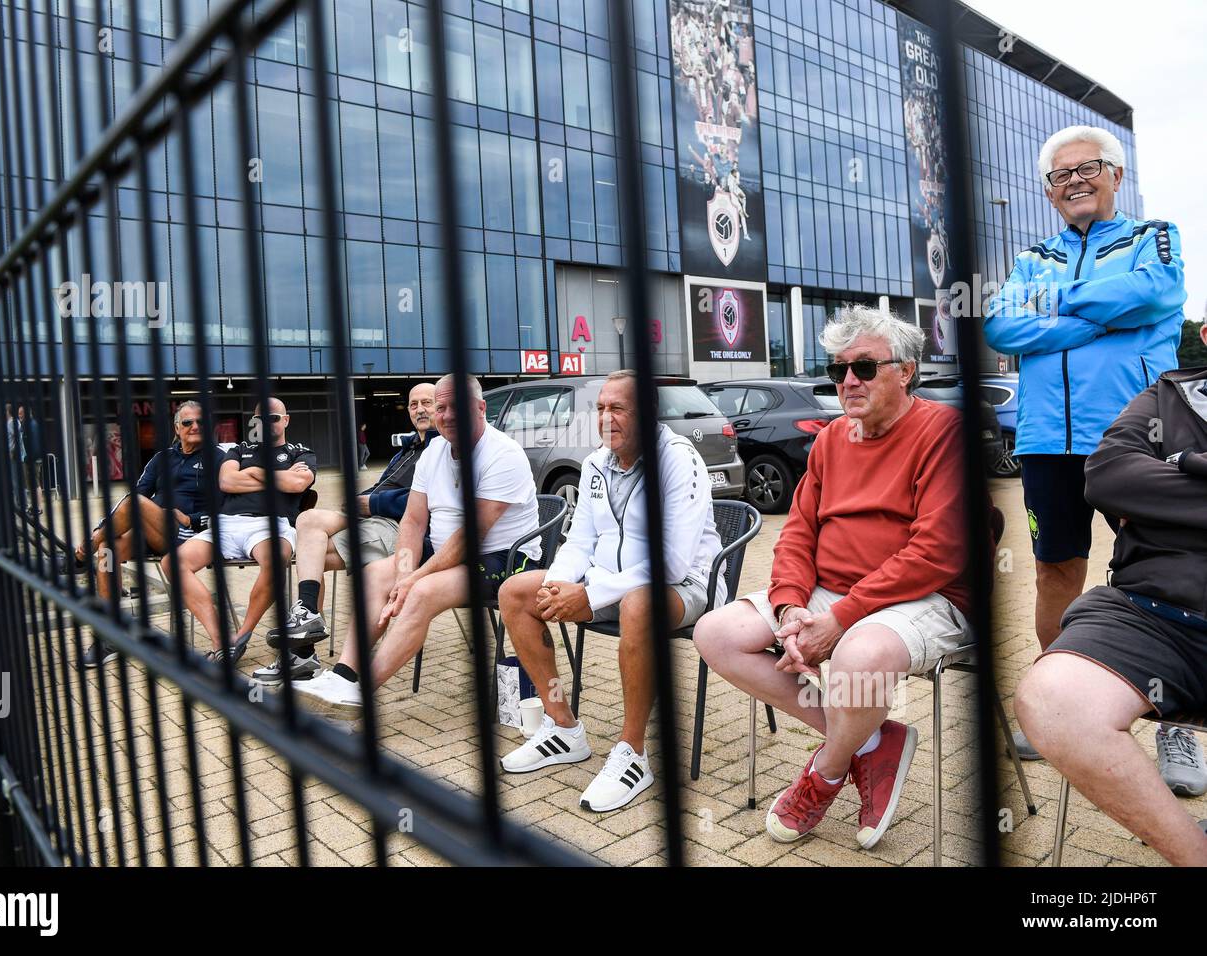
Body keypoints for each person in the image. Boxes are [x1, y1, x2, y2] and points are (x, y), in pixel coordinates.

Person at [694, 306, 973, 849]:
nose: (848, 381)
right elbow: (797, 533)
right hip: (831, 591)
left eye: (865, 368)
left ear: (906, 371)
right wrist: (791, 608)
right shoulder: (829, 440)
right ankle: (869, 742)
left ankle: (825, 771)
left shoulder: (943, 432)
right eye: (838, 369)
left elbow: (936, 552)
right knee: (715, 633)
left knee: (855, 659)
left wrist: (840, 618)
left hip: (926, 595)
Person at [982, 124, 1199, 790]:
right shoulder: (1030, 258)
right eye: (1060, 174)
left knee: (1170, 577)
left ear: (1115, 175)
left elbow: (1157, 295)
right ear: (1047, 191)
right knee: (1055, 575)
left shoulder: (1153, 237)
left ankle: (1179, 732)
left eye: (1088, 168)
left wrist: (1059, 314)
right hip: (1049, 442)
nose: (1074, 180)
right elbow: (999, 324)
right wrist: (1107, 310)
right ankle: (1063, 706)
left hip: (1144, 439)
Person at [496, 370, 723, 813]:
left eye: (617, 408)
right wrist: (559, 584)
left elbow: (672, 562)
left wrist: (590, 594)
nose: (605, 417)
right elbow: (580, 540)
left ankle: (633, 752)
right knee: (516, 593)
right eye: (600, 408)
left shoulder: (678, 459)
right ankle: (562, 726)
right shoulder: (596, 462)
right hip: (607, 585)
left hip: (688, 586)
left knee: (639, 603)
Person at [1016, 347, 1207, 866]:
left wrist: (1183, 470)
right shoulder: (1166, 397)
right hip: (1154, 609)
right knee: (1054, 700)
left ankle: (1178, 738)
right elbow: (1108, 476)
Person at [290, 374, 539, 715]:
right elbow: (413, 520)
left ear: (481, 408)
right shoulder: (434, 451)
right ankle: (345, 677)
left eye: (458, 407)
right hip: (444, 553)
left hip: (503, 559)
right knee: (377, 574)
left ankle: (362, 693)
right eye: (442, 407)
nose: (448, 415)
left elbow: (470, 536)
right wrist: (404, 571)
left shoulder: (502, 454)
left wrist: (413, 581)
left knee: (421, 593)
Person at [252, 382, 437, 684]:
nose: (419, 409)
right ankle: (307, 614)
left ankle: (301, 656)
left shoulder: (441, 447)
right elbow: (382, 486)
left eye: (427, 403)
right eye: (414, 404)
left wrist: (371, 502)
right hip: (373, 516)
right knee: (309, 521)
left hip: (399, 527)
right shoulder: (408, 448)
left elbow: (428, 501)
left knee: (311, 557)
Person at [165, 397, 316, 662]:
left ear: (286, 420)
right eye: (261, 418)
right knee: (171, 564)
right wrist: (273, 476)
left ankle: (241, 636)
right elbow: (226, 481)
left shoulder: (299, 452)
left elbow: (297, 484)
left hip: (272, 524)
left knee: (275, 559)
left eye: (274, 418)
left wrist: (253, 472)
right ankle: (220, 639)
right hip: (226, 523)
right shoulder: (239, 449)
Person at [78, 401, 212, 668]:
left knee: (135, 505)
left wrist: (190, 519)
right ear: (177, 428)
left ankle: (87, 545)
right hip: (149, 531)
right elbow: (137, 494)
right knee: (107, 548)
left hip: (183, 536)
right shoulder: (162, 458)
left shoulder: (217, 459)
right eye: (187, 422)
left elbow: (223, 508)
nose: (195, 426)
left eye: (200, 422)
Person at [17, 404, 45, 516]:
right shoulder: (29, 424)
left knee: (36, 483)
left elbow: (34, 444)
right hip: (31, 458)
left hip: (33, 459)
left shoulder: (31, 425)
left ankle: (38, 507)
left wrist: (30, 458)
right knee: (32, 484)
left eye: (20, 413)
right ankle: (35, 506)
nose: (19, 415)